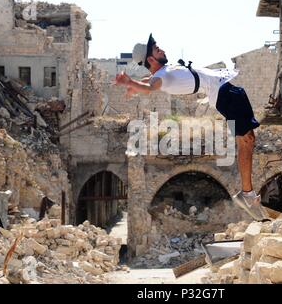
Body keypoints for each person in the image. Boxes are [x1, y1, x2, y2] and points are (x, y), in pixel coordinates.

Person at [114, 34, 270, 221]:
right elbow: (151, 86)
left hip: (228, 91)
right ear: (150, 58)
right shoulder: (162, 77)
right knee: (246, 140)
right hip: (224, 96)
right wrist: (131, 83)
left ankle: (247, 193)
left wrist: (135, 85)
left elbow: (149, 81)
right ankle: (247, 194)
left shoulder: (162, 71)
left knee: (249, 139)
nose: (161, 49)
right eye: (157, 49)